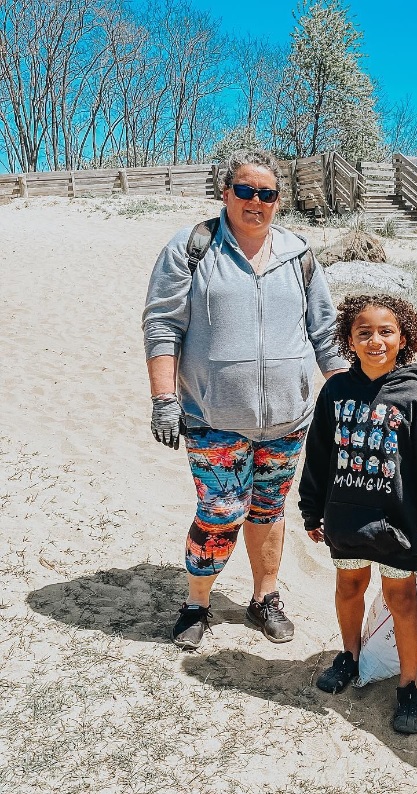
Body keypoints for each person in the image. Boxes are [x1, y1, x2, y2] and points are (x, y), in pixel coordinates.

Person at [142, 149, 347, 651]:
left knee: (268, 509)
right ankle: (197, 602)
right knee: (219, 510)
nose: (256, 202)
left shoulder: (298, 254)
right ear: (226, 193)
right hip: (213, 418)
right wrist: (164, 398)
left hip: (287, 419)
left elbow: (325, 333)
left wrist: (348, 396)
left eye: (268, 194)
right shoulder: (192, 247)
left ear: (279, 200)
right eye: (246, 191)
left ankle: (265, 598)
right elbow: (162, 325)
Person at [298, 294, 417, 735]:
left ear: (403, 338)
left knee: (400, 598)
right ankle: (349, 655)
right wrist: (311, 508)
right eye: (363, 333)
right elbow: (319, 455)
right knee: (349, 585)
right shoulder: (336, 391)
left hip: (397, 522)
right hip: (345, 517)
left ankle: (409, 686)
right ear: (349, 339)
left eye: (385, 331)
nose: (375, 341)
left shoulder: (415, 397)